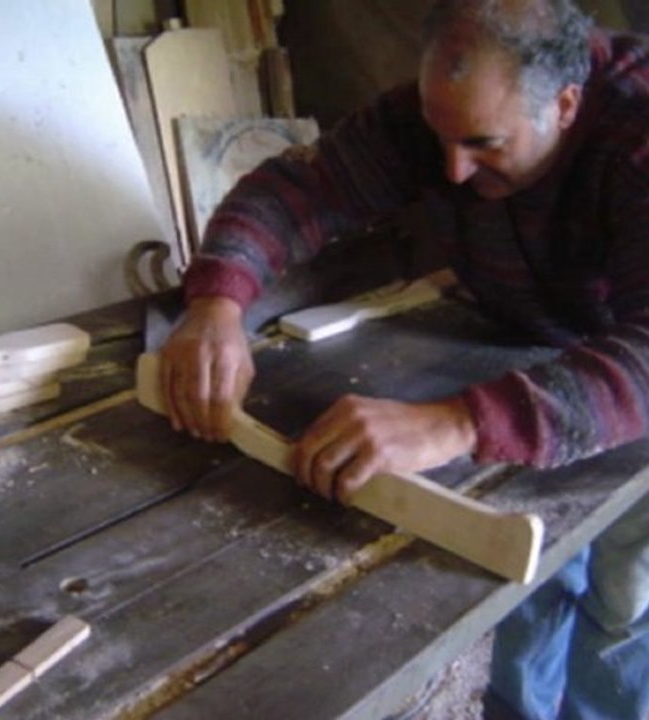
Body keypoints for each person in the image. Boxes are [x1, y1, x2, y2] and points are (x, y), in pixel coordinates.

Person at [158, 0, 649, 717]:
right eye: (440, 136)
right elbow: (296, 191)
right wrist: (217, 302)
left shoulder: (636, 138)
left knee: (621, 601)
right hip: (530, 340)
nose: (451, 169)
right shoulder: (442, 121)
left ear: (566, 105)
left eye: (483, 143)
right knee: (530, 574)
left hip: (633, 370)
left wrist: (453, 423)